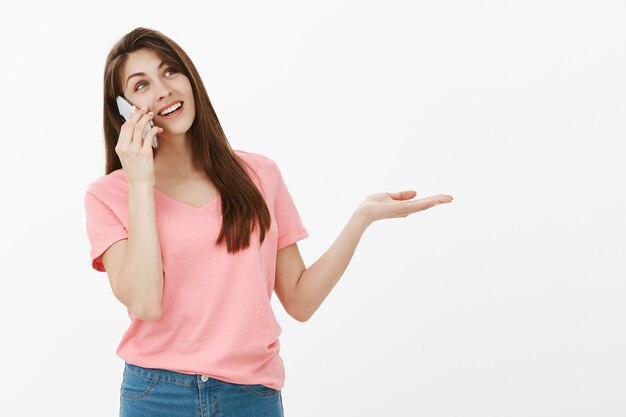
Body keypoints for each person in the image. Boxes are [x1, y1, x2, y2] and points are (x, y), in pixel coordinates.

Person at [84, 27, 453, 417]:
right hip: (158, 395)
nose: (163, 90)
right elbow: (145, 302)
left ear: (191, 79)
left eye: (171, 72)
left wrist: (360, 220)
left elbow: (299, 300)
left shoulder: (259, 174)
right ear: (123, 109)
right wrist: (141, 182)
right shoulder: (108, 195)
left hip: (251, 395)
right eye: (141, 85)